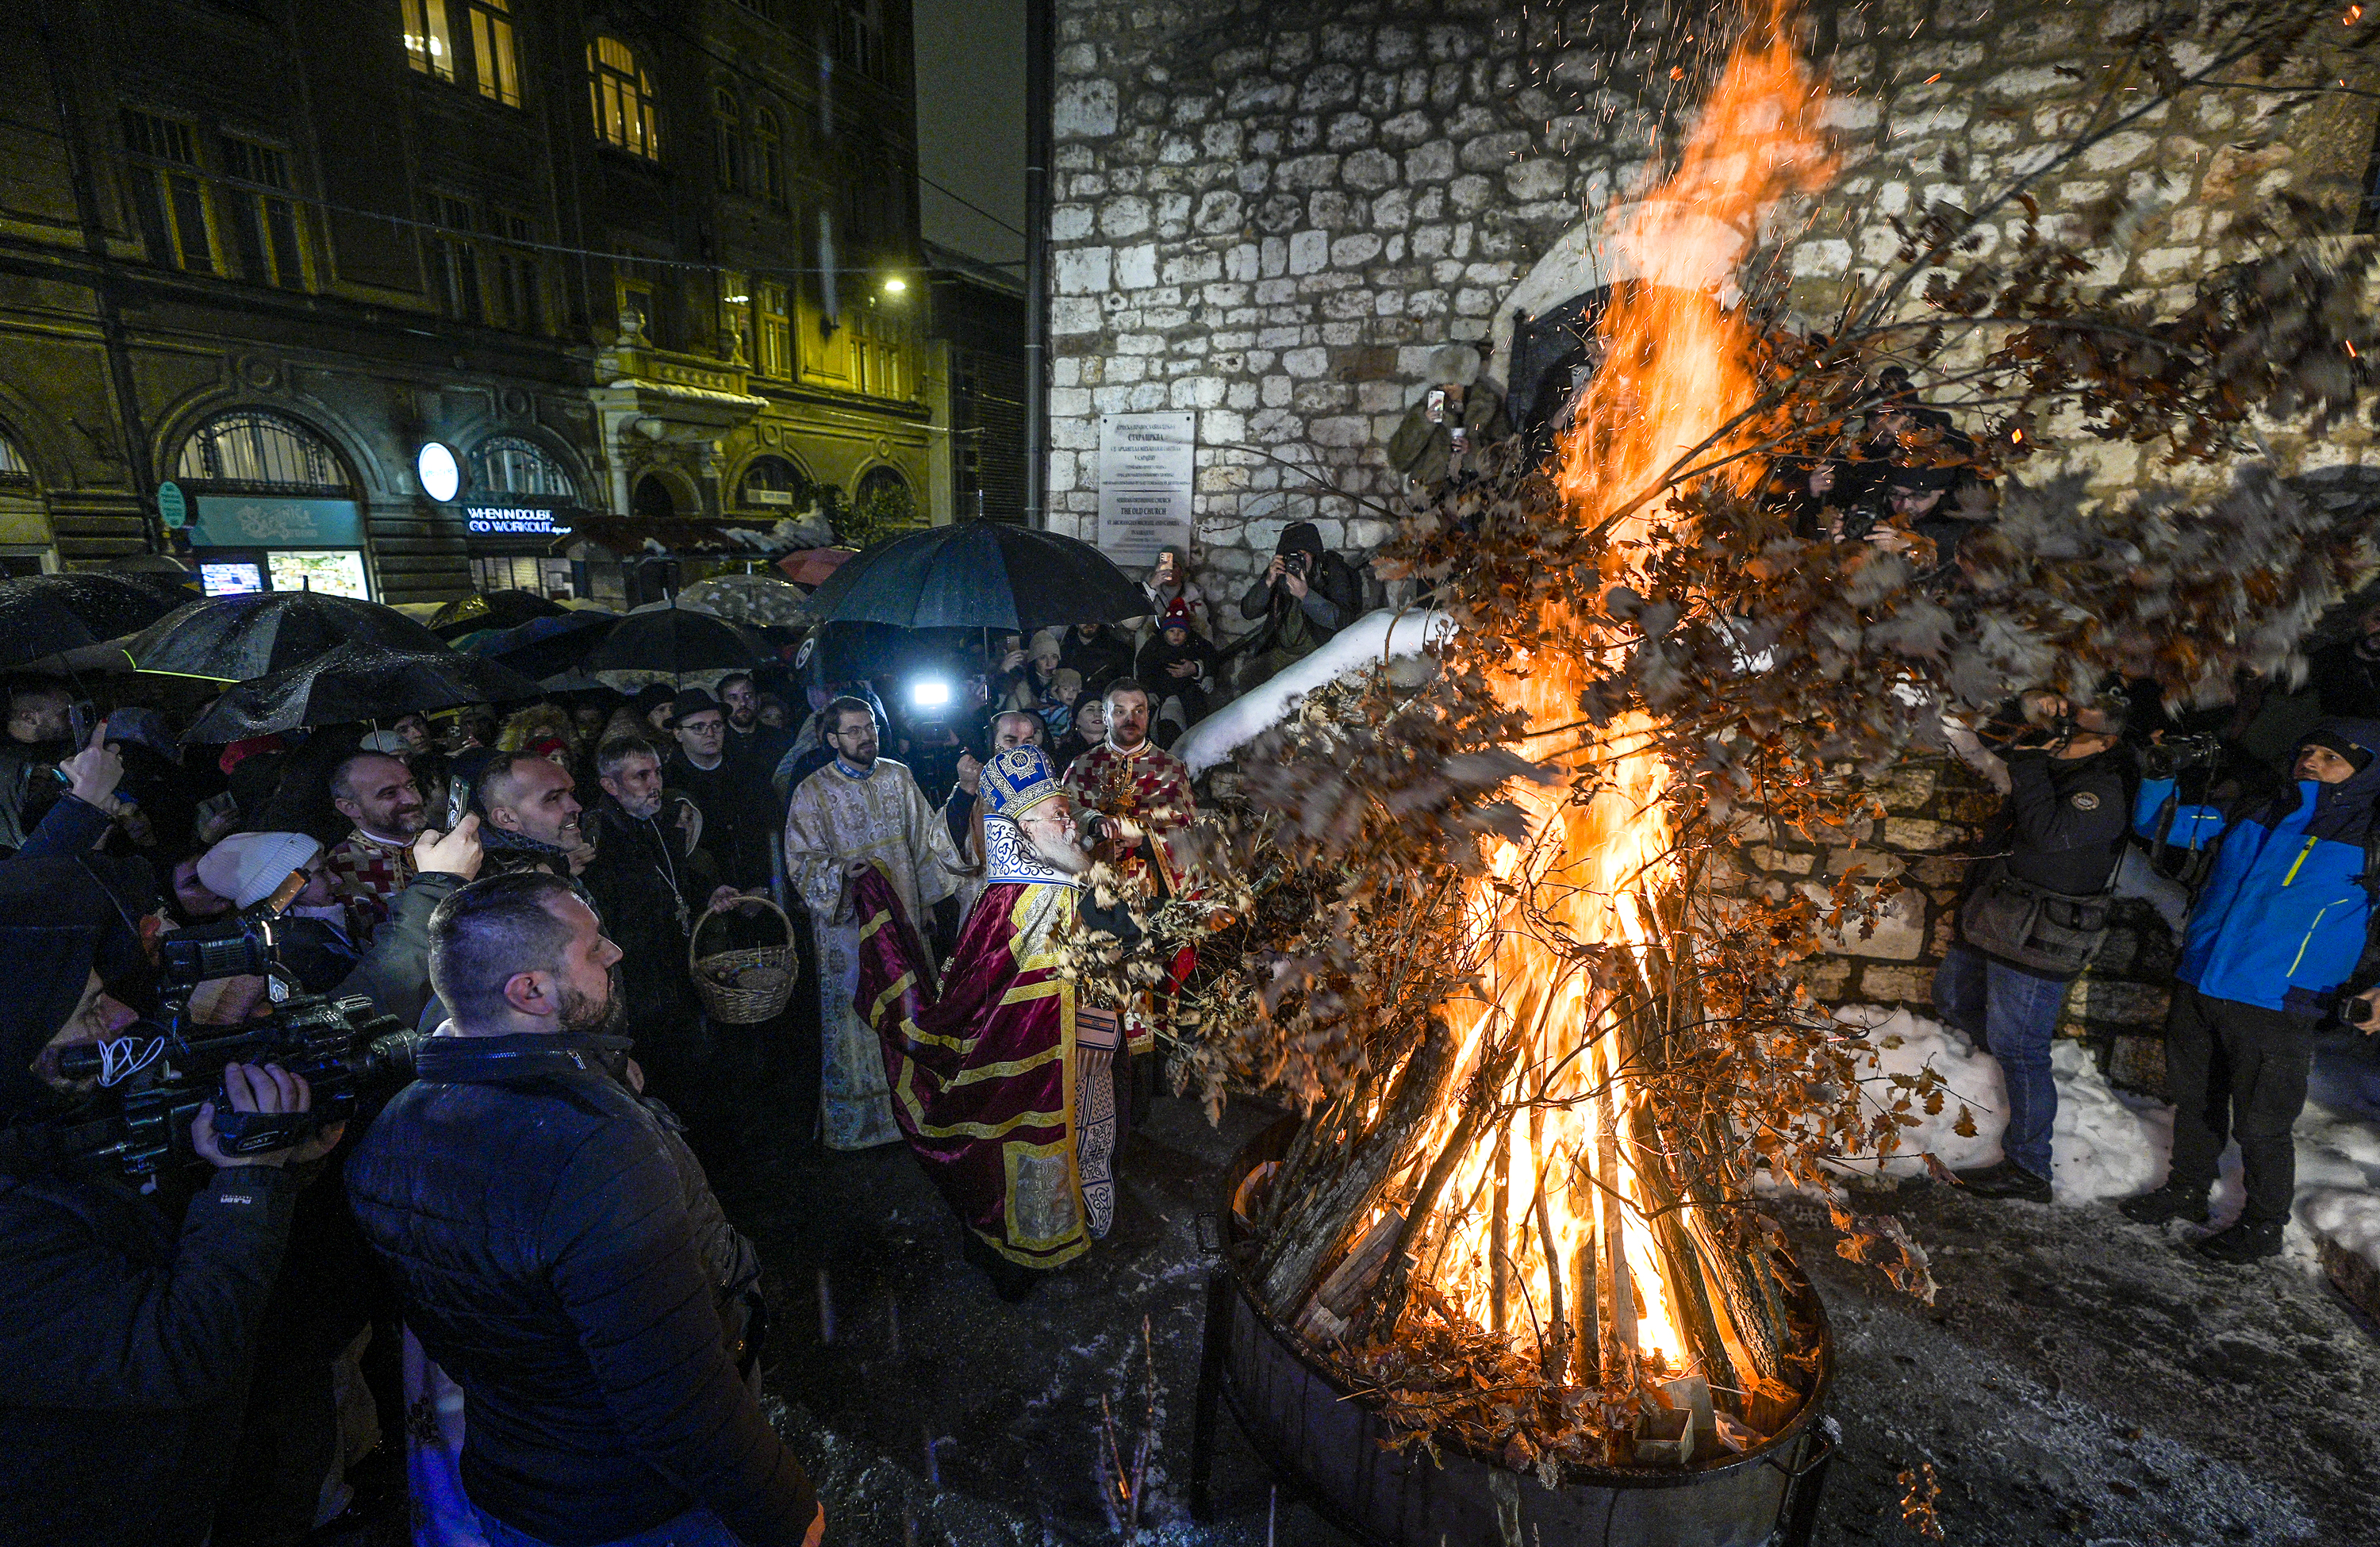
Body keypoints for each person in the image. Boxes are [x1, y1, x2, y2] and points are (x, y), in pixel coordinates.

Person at [344, 873, 825, 1547]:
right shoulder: (591, 1146)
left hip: (517, 1487)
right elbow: (673, 1399)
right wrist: (784, 1510)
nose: (616, 954)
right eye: (593, 948)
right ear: (531, 990)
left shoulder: (393, 1126)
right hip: (644, 1506)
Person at [0, 855, 340, 1547]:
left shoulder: (49, 1123)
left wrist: (244, 1139)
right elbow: (171, 1350)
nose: (121, 1016)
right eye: (89, 1009)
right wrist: (251, 1182)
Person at [850, 747, 1135, 1299]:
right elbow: (988, 991)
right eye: (1056, 815)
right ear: (1024, 826)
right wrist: (1100, 1022)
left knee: (1073, 1146)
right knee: (1030, 1151)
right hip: (1040, 1062)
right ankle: (1021, 1256)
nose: (1067, 822)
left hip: (1063, 1052)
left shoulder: (1042, 884)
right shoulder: (1026, 897)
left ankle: (1041, 1242)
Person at [2117, 720, 2380, 1261]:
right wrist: (2160, 778)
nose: (2311, 760)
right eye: (2307, 749)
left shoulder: (2369, 840)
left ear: (2366, 771)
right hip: (2202, 977)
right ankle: (2188, 1190)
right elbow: (2157, 823)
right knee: (2196, 1101)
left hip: (2278, 1001)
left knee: (2262, 1124)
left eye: (2331, 757)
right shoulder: (2256, 810)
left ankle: (2263, 1225)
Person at [1929, 693, 2132, 1203]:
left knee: (2023, 1048)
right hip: (1996, 917)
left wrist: (2031, 757)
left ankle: (2029, 1167)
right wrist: (2027, 710)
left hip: (2041, 937)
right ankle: (1986, 1086)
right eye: (2065, 718)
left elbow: (2046, 833)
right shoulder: (2049, 762)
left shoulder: (2101, 789)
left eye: (2077, 727)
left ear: (2106, 742)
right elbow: (1989, 734)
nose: (2063, 730)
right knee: (1953, 998)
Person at [783, 696, 965, 1150]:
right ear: (832, 739)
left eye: (871, 728)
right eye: (855, 731)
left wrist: (926, 902)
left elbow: (925, 842)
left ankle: (917, 1105)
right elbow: (801, 861)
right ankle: (865, 1124)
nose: (867, 737)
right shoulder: (812, 791)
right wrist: (840, 874)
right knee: (857, 1011)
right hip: (848, 932)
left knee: (911, 1005)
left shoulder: (898, 776)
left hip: (903, 918)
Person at [581, 735, 735, 1121]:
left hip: (678, 971)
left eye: (657, 773)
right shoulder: (600, 841)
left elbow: (676, 883)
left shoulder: (664, 822)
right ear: (610, 785)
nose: (655, 784)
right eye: (641, 776)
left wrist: (709, 894)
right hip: (640, 985)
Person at [945, 709, 1047, 920]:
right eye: (1010, 740)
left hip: (1040, 898)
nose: (1021, 750)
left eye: (1028, 740)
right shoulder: (973, 788)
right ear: (991, 742)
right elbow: (946, 847)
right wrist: (966, 791)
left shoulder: (1047, 784)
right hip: (990, 903)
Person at [1235, 520, 1363, 685]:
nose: (1297, 561)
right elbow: (1248, 612)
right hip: (1284, 654)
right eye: (1291, 555)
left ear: (1314, 554)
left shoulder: (1331, 571)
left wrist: (1306, 595)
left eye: (1303, 554)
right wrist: (1267, 582)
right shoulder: (1280, 574)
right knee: (1249, 676)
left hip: (1318, 654)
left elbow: (1344, 621)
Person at [669, 688, 772, 887]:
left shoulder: (750, 772)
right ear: (679, 733)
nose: (710, 733)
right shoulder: (670, 783)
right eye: (698, 727)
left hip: (758, 890)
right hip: (705, 897)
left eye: (716, 725)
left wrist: (763, 887)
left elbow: (771, 830)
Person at [324, 750, 428, 943]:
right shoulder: (341, 868)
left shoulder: (445, 839)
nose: (411, 800)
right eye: (389, 794)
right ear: (350, 808)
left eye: (411, 786)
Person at [475, 751, 592, 878]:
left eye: (571, 793)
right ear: (507, 819)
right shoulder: (490, 884)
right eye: (552, 799)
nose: (576, 807)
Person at [1134, 598, 1219, 740]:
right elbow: (1143, 667)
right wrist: (1147, 691)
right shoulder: (1155, 645)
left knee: (1196, 712)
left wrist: (1209, 675)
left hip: (1189, 687)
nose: (1176, 635)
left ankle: (1199, 738)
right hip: (1162, 690)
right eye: (1171, 631)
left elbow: (1211, 657)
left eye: (1181, 631)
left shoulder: (1195, 642)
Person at [1141, 545, 1209, 639]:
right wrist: (1151, 586)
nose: (1169, 571)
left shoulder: (1195, 604)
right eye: (1164, 566)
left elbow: (1206, 639)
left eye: (1173, 566)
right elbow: (1132, 624)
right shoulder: (1150, 597)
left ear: (1182, 572)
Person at [1059, 621, 1133, 699]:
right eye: (1083, 618)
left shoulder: (1118, 650)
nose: (1089, 623)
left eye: (1093, 619)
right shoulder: (1063, 651)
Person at [1050, 693, 1105, 774]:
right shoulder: (1065, 753)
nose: (1097, 714)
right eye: (1090, 710)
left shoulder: (1117, 747)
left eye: (1101, 710)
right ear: (1077, 720)